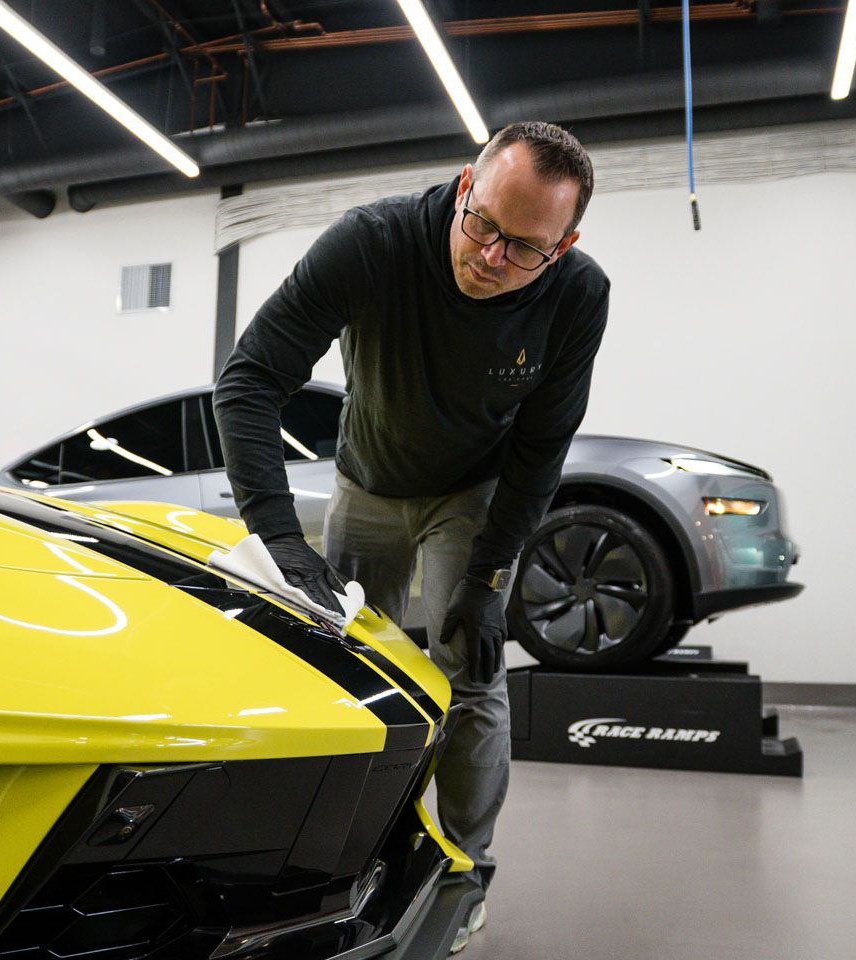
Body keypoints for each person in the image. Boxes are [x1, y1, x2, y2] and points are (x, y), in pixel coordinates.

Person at [213, 120, 608, 951]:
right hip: (367, 479)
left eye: (525, 249)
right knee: (346, 668)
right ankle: (341, 857)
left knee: (472, 675)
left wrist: (490, 578)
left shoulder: (578, 294)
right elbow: (250, 381)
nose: (491, 258)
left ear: (564, 245)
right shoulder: (373, 243)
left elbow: (543, 447)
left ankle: (465, 868)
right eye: (483, 225)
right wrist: (282, 539)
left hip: (474, 490)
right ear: (467, 186)